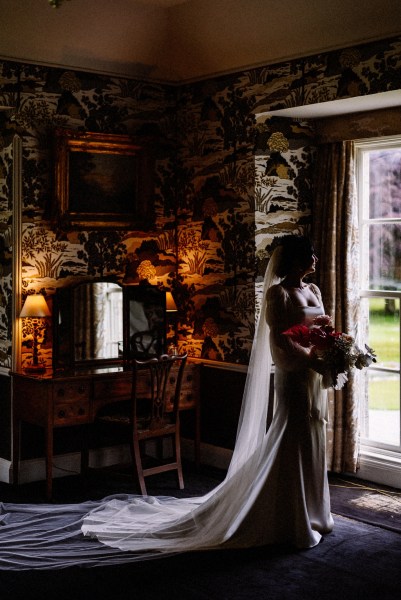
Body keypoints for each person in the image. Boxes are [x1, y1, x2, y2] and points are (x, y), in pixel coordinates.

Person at [0, 235, 333, 569]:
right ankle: (289, 512)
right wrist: (314, 359)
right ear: (295, 260)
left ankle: (311, 511)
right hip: (296, 375)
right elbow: (280, 347)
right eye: (311, 255)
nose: (316, 260)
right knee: (292, 434)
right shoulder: (277, 295)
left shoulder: (313, 291)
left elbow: (321, 330)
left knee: (312, 434)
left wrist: (332, 351)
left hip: (313, 376)